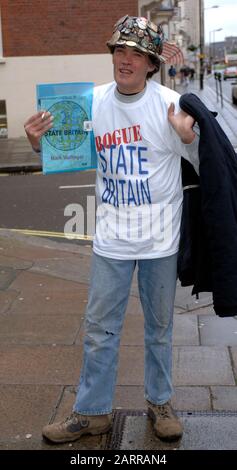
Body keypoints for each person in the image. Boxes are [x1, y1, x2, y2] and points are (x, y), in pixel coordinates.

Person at [24, 15, 199, 444]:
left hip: (160, 240)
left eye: (137, 54)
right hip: (111, 240)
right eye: (120, 51)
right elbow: (62, 151)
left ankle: (160, 404)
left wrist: (188, 138)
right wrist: (34, 140)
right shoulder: (91, 101)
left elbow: (204, 161)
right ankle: (92, 412)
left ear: (152, 64)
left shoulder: (169, 105)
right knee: (100, 331)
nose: (126, 60)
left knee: (159, 330)